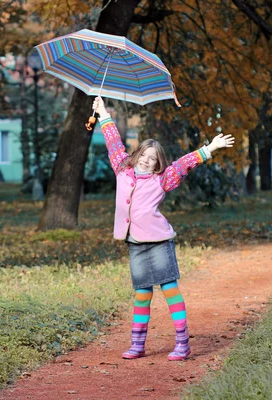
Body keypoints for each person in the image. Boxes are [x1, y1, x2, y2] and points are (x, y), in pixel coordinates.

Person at [92, 96, 235, 361]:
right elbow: (113, 142)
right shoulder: (122, 169)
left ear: (158, 163)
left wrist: (209, 148)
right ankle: (138, 344)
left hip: (159, 242)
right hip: (135, 243)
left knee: (169, 289)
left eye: (152, 159)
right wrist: (102, 113)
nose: (146, 161)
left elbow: (183, 164)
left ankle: (183, 343)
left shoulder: (163, 179)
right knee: (142, 293)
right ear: (137, 155)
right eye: (144, 155)